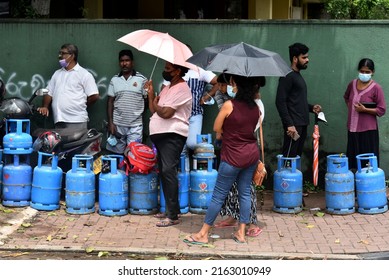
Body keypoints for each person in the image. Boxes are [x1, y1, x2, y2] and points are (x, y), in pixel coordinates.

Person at [184, 74, 260, 245]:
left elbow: (217, 127)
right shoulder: (256, 108)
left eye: (233, 82)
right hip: (251, 154)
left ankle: (203, 234)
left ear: (237, 85)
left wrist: (229, 128)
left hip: (233, 155)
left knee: (218, 195)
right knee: (245, 193)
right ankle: (241, 233)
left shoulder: (229, 105)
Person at [213, 74, 265, 238]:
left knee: (244, 191)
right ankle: (237, 221)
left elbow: (221, 129)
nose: (228, 86)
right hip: (241, 149)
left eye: (231, 83)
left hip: (240, 151)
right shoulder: (235, 103)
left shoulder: (254, 105)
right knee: (237, 190)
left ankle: (252, 222)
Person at [145, 62, 192, 227]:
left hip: (172, 135)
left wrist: (157, 105)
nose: (164, 71)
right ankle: (172, 210)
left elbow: (165, 113)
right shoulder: (167, 87)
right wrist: (151, 95)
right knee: (165, 172)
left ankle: (172, 216)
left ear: (178, 71)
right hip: (161, 135)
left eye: (168, 69)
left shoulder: (182, 89)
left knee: (168, 171)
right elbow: (154, 109)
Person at [275, 42, 321, 159]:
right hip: (293, 126)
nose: (307, 60)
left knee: (296, 158)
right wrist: (289, 124)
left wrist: (311, 108)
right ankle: (285, 178)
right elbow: (280, 101)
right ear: (295, 59)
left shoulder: (297, 76)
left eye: (307, 57)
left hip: (302, 124)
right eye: (304, 57)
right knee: (289, 159)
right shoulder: (287, 76)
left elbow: (296, 101)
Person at [37, 44, 99, 129]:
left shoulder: (84, 74)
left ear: (72, 56)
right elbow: (49, 92)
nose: (60, 56)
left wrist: (81, 105)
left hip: (77, 121)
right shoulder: (57, 73)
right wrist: (45, 106)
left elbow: (94, 96)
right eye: (60, 53)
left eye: (63, 53)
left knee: (76, 142)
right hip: (59, 120)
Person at [344, 58, 386, 170]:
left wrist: (364, 110)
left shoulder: (376, 88)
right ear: (358, 70)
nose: (364, 74)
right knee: (352, 159)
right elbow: (346, 97)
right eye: (362, 71)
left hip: (368, 131)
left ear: (372, 72)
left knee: (367, 161)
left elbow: (381, 110)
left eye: (367, 72)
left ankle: (367, 183)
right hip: (352, 129)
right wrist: (351, 110)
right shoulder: (352, 84)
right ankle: (353, 182)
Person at [105, 49, 148, 154]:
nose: (124, 63)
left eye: (127, 60)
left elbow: (146, 101)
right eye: (122, 61)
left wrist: (137, 113)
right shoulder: (114, 80)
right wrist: (111, 123)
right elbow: (110, 102)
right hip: (118, 125)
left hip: (135, 127)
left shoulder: (142, 80)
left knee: (133, 155)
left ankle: (131, 171)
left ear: (132, 62)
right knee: (116, 155)